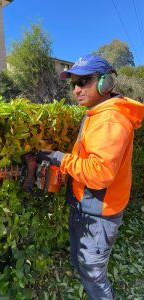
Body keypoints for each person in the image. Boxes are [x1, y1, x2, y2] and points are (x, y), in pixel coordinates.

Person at [37, 54, 144, 299]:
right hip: (86, 207)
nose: (76, 89)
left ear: (105, 84)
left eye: (84, 81)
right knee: (83, 265)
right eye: (73, 83)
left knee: (93, 275)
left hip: (98, 214)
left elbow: (99, 173)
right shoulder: (97, 113)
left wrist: (60, 159)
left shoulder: (110, 119)